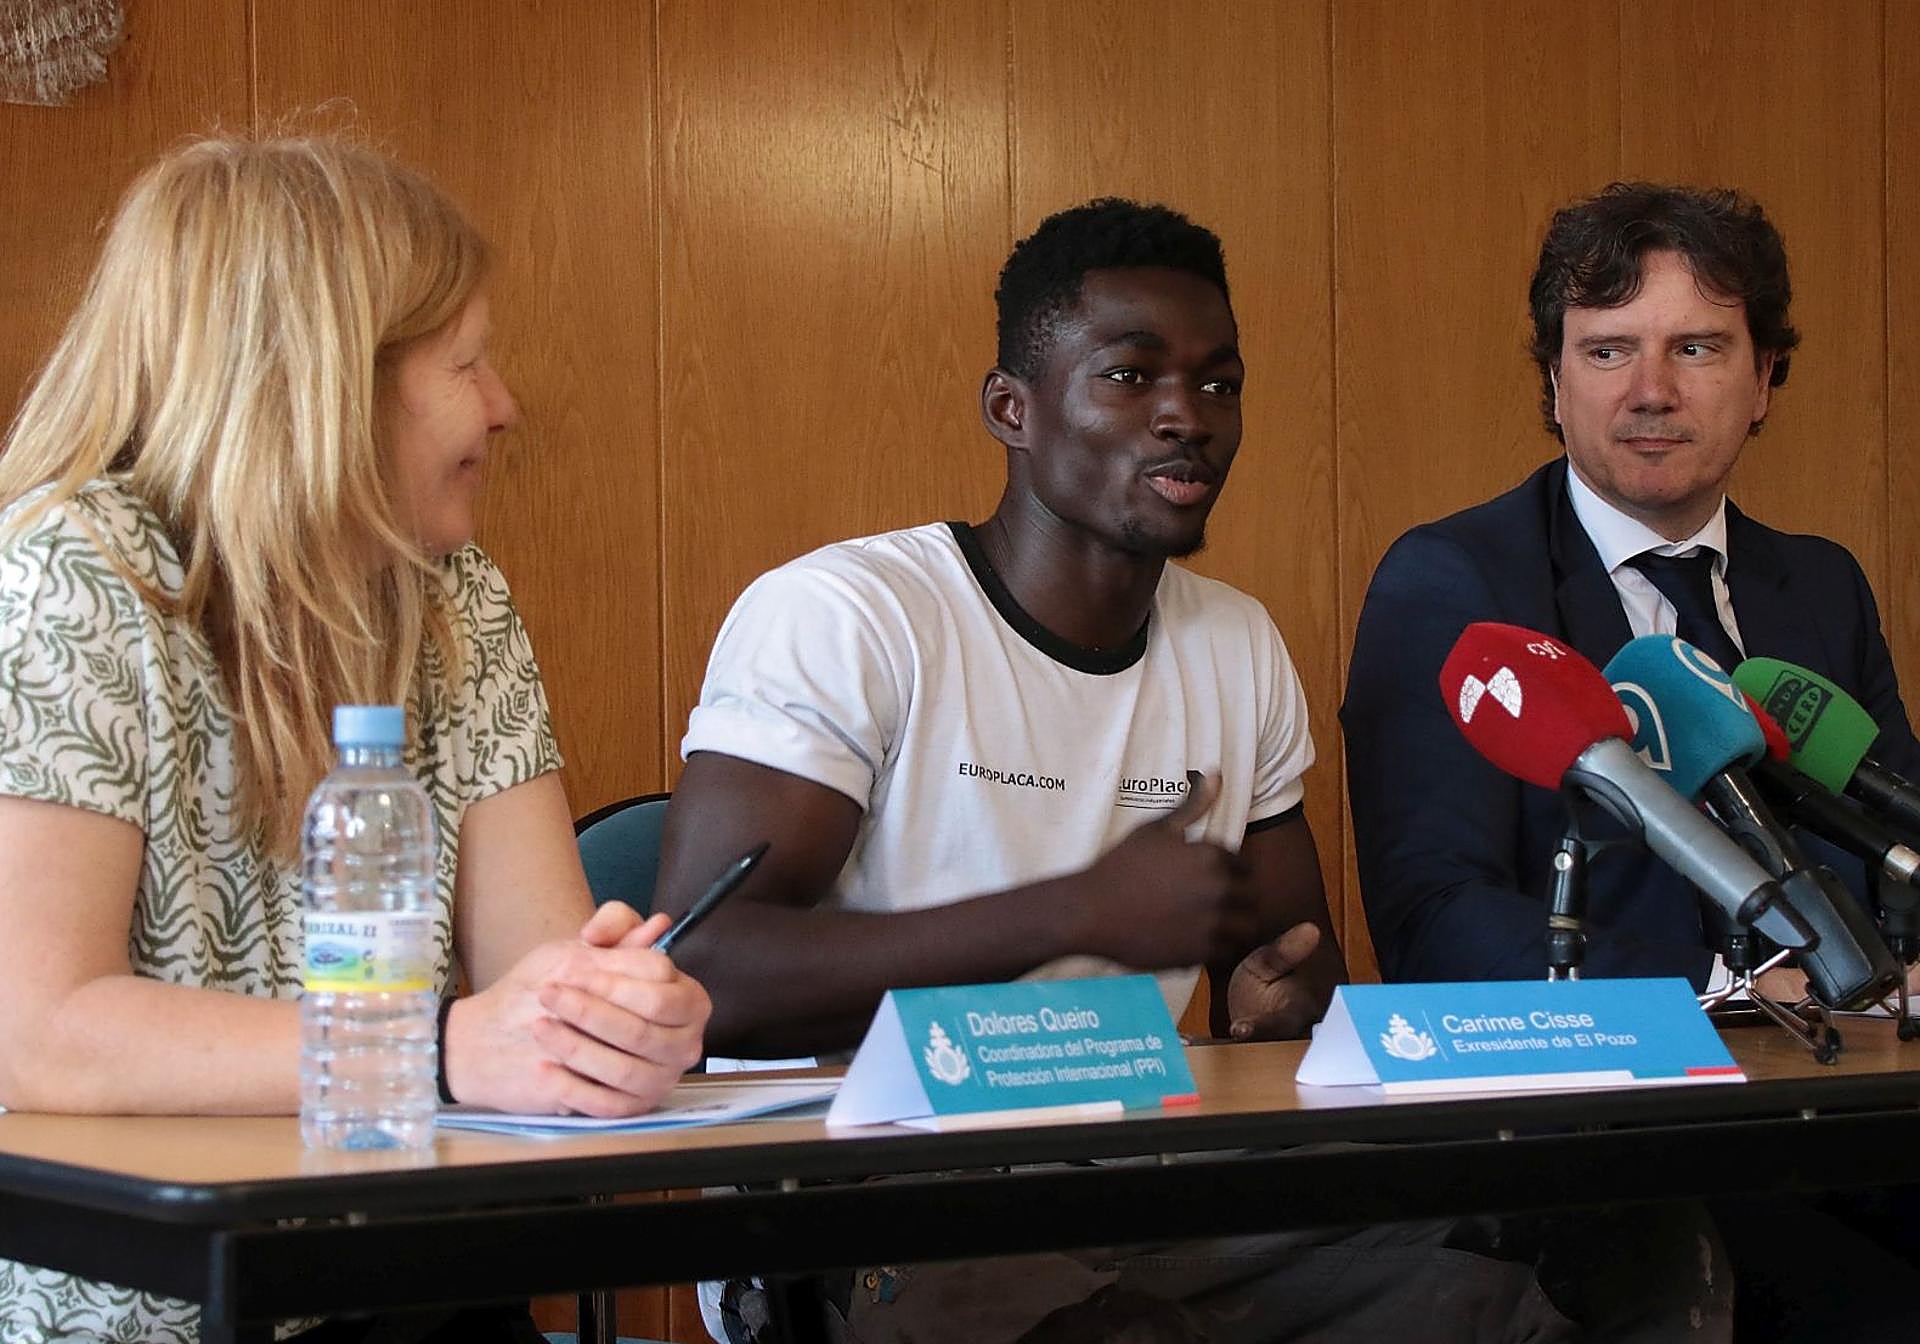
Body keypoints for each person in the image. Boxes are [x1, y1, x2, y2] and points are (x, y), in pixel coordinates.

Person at [661, 199, 1575, 1343]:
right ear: (1013, 409)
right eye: (1131, 377)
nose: (1187, 417)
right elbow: (702, 973)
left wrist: (1280, 1008)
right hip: (876, 1195)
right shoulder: (848, 615)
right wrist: (1075, 912)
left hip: (1153, 1175)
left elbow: (1288, 973)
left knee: (1583, 1254)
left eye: (1218, 384)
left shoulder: (1234, 642)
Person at [0, 136, 709, 1344]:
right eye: (467, 363)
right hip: (150, 1303)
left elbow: (535, 972)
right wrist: (437, 1048)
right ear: (321, 381)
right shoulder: (64, 577)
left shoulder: (455, 595)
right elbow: (39, 1036)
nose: (505, 406)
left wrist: (606, 1023)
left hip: (413, 1276)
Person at [1342, 182, 1920, 1341]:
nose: (1651, 390)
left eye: (1697, 348)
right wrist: (1732, 996)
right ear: (1554, 384)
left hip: (1851, 1110)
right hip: (1609, 1142)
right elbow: (1435, 919)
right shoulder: (1455, 584)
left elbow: (1895, 844)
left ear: (1766, 380)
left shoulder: (1819, 586)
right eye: (1608, 350)